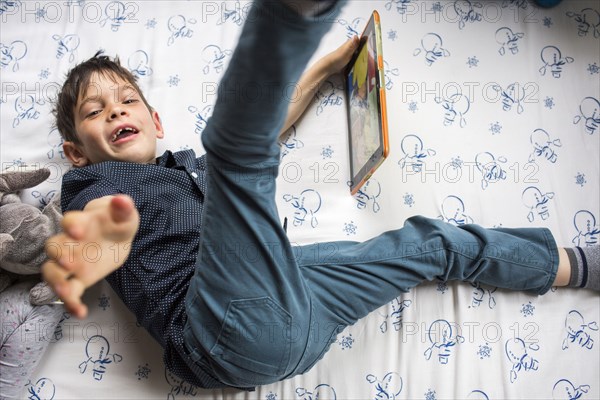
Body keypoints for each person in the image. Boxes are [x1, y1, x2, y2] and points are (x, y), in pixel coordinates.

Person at [43, 0, 598, 390]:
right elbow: (98, 222)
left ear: (155, 119)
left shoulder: (190, 170)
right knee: (237, 153)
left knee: (430, 245)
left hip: (298, 316)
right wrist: (101, 240)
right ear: (76, 152)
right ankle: (293, 13)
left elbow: (270, 127)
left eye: (126, 100)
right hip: (218, 332)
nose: (115, 110)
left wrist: (330, 68)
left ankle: (578, 264)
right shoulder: (96, 184)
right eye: (95, 111)